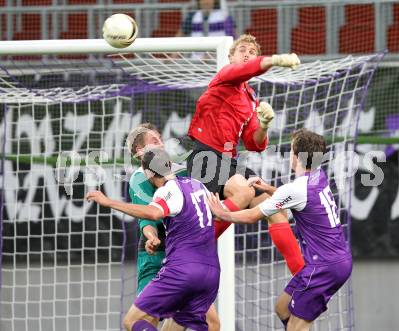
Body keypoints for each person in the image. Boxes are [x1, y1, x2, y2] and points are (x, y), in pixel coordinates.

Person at [206, 129, 353, 331]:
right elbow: (295, 198)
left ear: (296, 156)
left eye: (291, 150)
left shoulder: (295, 189)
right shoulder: (318, 177)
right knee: (282, 308)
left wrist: (222, 213)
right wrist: (267, 188)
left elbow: (251, 216)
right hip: (332, 261)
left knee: (295, 326)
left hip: (324, 267)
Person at [187, 33, 304, 275]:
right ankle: (195, 247)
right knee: (244, 190)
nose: (247, 54)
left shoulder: (250, 99)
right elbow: (247, 69)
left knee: (275, 207)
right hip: (205, 156)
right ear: (230, 57)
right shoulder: (224, 78)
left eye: (252, 51)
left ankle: (303, 275)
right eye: (242, 50)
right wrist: (274, 60)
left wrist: (263, 125)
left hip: (228, 161)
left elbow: (255, 144)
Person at [87, 148, 220, 331]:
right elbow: (218, 214)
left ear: (149, 173)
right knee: (200, 325)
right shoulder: (198, 185)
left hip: (182, 271)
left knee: (131, 321)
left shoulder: (170, 190)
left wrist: (109, 202)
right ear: (170, 165)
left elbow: (152, 212)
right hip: (211, 273)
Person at [126, 123, 220, 330]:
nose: (160, 143)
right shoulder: (139, 179)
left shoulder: (174, 172)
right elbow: (148, 218)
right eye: (154, 141)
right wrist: (151, 236)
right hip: (157, 254)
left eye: (160, 138)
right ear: (139, 152)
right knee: (143, 320)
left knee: (212, 323)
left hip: (183, 258)